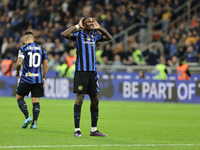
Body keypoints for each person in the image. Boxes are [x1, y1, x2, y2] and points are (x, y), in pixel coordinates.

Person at [62, 17, 112, 137]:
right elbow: (64, 34)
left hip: (92, 72)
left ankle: (94, 130)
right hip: (81, 72)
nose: (91, 23)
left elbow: (109, 38)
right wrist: (77, 26)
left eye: (92, 21)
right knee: (80, 98)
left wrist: (100, 28)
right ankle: (77, 130)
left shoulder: (95, 35)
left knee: (95, 100)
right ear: (83, 24)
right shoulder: (78, 34)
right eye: (89, 21)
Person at [15, 31, 48, 129]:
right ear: (33, 39)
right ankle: (34, 123)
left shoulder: (23, 48)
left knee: (19, 97)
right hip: (38, 79)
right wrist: (43, 77)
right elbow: (45, 65)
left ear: (25, 39)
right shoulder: (42, 49)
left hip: (26, 78)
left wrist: (17, 71)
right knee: (36, 101)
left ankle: (27, 117)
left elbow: (19, 63)